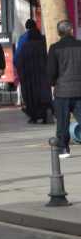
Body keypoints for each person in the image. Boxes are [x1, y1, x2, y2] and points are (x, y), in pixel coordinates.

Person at [48, 20, 81, 156]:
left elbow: (51, 71)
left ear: (58, 33)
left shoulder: (55, 48)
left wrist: (53, 82)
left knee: (62, 122)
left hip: (62, 91)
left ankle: (63, 148)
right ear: (71, 30)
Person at [16, 23, 52, 124]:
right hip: (43, 76)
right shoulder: (44, 45)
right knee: (43, 95)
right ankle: (46, 113)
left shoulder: (25, 46)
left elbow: (19, 61)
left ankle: (34, 116)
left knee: (32, 97)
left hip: (29, 78)